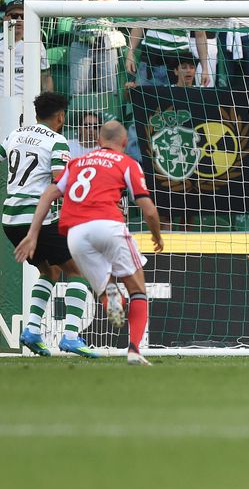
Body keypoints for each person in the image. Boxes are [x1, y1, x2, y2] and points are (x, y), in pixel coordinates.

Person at [15, 120, 165, 367]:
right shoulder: (127, 163)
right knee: (138, 288)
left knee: (106, 288)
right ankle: (135, 351)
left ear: (98, 141)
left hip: (75, 234)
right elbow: (148, 210)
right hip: (108, 226)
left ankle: (111, 298)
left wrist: (32, 234)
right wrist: (157, 235)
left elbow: (48, 194)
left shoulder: (75, 163)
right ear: (125, 143)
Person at [3, 93, 98, 358]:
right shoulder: (57, 141)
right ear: (60, 116)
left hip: (10, 218)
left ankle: (32, 331)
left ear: (36, 114)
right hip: (38, 218)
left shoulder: (15, 134)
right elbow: (60, 182)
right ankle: (70, 337)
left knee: (51, 271)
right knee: (79, 270)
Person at [125, 0, 211, 88]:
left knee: (179, 108)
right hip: (150, 60)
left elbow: (200, 35)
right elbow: (138, 25)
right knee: (145, 105)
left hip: (179, 65)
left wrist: (205, 68)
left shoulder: (196, 0)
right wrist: (130, 52)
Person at [66, 0, 123, 98]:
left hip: (106, 40)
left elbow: (107, 12)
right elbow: (76, 15)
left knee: (109, 88)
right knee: (78, 90)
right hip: (81, 40)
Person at [0, 3, 52, 97]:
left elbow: (46, 77)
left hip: (27, 104)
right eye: (14, 16)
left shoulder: (36, 44)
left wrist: (48, 106)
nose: (19, 20)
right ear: (5, 18)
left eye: (23, 16)